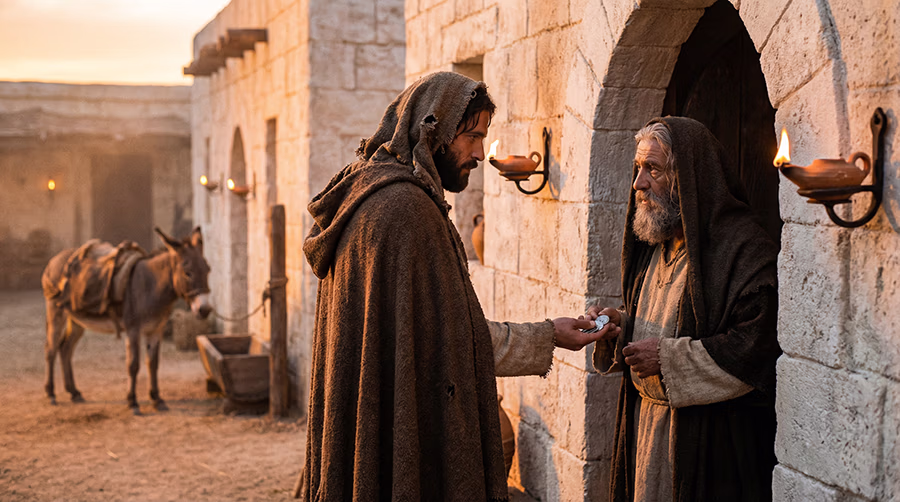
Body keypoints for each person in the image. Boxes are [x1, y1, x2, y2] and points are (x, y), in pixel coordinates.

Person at [299, 71, 613, 501]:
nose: (480, 153)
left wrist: (547, 334)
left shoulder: (371, 194)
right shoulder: (408, 211)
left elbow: (443, 332)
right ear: (435, 129)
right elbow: (456, 340)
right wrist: (548, 335)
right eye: (472, 137)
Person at [586, 117, 781, 501]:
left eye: (653, 169)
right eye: (638, 169)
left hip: (708, 441)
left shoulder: (742, 249)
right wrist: (622, 327)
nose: (638, 184)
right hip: (646, 430)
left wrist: (668, 357)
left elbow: (755, 346)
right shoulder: (659, 241)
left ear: (690, 175)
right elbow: (667, 320)